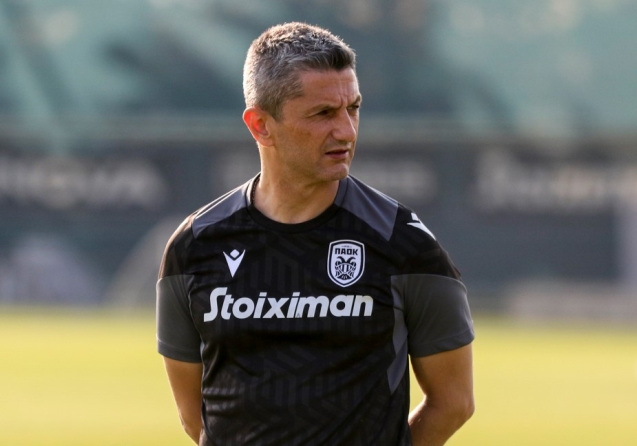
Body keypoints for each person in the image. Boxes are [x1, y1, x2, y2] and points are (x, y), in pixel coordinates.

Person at [156, 22, 475, 446]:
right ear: (260, 125)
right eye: (323, 113)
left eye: (353, 108)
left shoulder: (405, 243)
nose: (346, 130)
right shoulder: (194, 246)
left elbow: (454, 402)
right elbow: (194, 415)